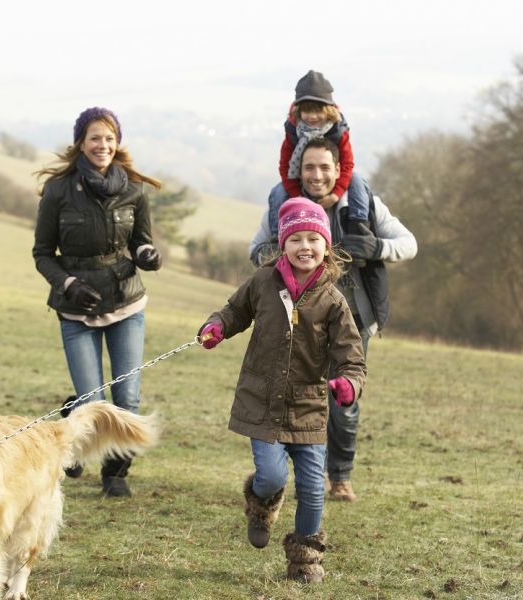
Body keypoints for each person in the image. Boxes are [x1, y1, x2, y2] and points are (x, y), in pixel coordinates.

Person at [199, 198, 366, 583]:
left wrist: (348, 385)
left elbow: (353, 359)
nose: (305, 247)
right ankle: (260, 505)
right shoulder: (262, 282)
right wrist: (217, 327)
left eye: (314, 238)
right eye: (296, 239)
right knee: (272, 477)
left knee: (312, 489)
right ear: (283, 244)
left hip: (308, 409)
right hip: (262, 403)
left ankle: (305, 560)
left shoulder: (333, 301)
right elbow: (233, 311)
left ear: (326, 246)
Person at [250, 137, 418, 502]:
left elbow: (409, 243)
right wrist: (280, 256)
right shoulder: (282, 204)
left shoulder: (364, 204)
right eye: (309, 167)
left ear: (339, 170)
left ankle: (340, 476)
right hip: (298, 320)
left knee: (344, 399)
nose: (317, 175)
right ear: (299, 170)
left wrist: (376, 248)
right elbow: (256, 250)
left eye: (325, 166)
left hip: (353, 319)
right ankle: (308, 477)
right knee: (300, 397)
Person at [32, 106, 162, 498]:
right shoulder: (58, 190)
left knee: (127, 397)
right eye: (95, 138)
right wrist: (68, 283)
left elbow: (142, 240)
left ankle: (115, 472)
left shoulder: (134, 189)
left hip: (126, 302)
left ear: (117, 142)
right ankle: (74, 419)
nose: (102, 144)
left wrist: (146, 254)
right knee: (93, 400)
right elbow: (41, 253)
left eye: (109, 138)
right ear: (81, 143)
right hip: (76, 308)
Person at [277, 70, 370, 239]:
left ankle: (359, 228)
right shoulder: (293, 131)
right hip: (302, 181)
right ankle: (277, 235)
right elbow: (285, 165)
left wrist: (335, 195)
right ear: (298, 111)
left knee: (357, 180)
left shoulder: (338, 130)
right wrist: (298, 196)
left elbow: (347, 164)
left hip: (336, 180)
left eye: (317, 110)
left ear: (328, 109)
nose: (312, 116)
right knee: (278, 191)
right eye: (306, 111)